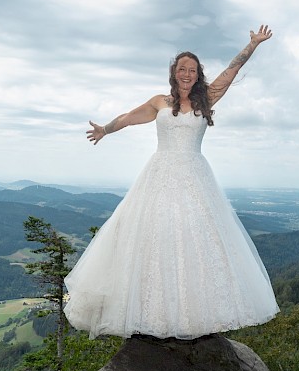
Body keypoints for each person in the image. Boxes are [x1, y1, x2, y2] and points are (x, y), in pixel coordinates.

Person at [64, 25, 280, 339]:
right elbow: (127, 117)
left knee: (196, 242)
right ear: (174, 72)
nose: (187, 74)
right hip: (159, 175)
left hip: (195, 177)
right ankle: (154, 314)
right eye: (182, 69)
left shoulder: (207, 98)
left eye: (193, 70)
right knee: (154, 239)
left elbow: (233, 70)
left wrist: (252, 45)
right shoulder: (159, 102)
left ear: (198, 74)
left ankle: (190, 316)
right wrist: (104, 130)